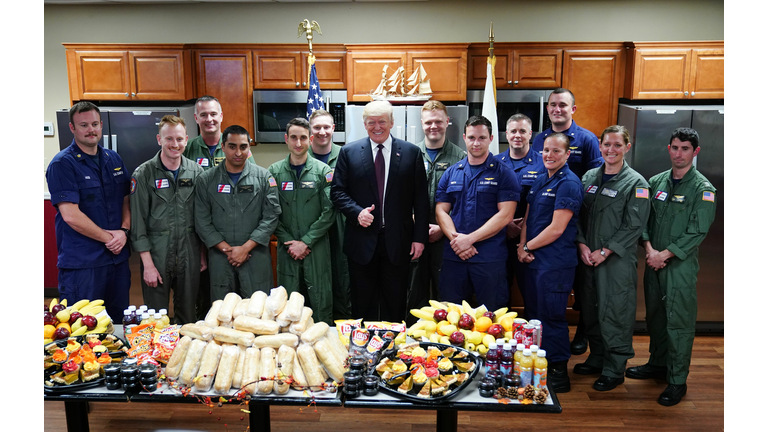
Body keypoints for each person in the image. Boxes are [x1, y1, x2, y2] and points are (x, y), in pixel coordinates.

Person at [627, 127, 716, 406]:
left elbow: (696, 232)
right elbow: (645, 221)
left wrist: (665, 254)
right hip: (653, 261)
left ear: (695, 152)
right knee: (656, 317)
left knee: (678, 322)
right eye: (675, 147)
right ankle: (658, 363)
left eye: (685, 149)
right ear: (668, 148)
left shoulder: (704, 189)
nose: (679, 153)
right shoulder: (656, 182)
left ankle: (677, 380)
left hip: (679, 266)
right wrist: (650, 249)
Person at [330, 100, 429, 322]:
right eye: (371, 122)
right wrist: (357, 212)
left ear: (391, 122)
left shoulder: (411, 153)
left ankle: (391, 351)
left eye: (382, 121)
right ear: (364, 124)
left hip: (398, 242)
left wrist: (419, 238)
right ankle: (362, 352)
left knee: (395, 305)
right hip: (361, 242)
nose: (377, 127)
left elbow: (421, 200)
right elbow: (337, 192)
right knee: (362, 306)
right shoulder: (349, 152)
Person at [573, 125, 651, 391]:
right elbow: (577, 216)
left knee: (615, 311)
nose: (611, 150)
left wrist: (606, 251)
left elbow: (634, 225)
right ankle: (597, 357)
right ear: (600, 146)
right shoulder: (589, 178)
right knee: (591, 308)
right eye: (607, 144)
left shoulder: (636, 183)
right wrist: (582, 245)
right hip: (588, 258)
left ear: (627, 148)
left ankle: (615, 367)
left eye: (618, 145)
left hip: (616, 260)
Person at [530, 88, 603, 355]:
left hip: (577, 218)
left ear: (573, 109)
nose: (557, 109)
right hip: (546, 218)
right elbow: (539, 172)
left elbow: (596, 178)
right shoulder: (540, 139)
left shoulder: (586, 139)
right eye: (553, 105)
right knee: (548, 298)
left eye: (563, 105)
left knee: (579, 287)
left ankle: (581, 333)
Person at [46, 102, 131, 320]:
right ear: (72, 128)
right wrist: (109, 239)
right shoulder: (62, 164)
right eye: (83, 125)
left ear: (101, 125)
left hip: (117, 261)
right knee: (81, 327)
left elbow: (125, 199)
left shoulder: (113, 159)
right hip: (84, 264)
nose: (90, 130)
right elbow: (71, 216)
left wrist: (123, 231)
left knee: (118, 323)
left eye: (94, 124)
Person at [517, 132, 584, 393]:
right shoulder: (541, 178)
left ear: (567, 154)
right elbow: (528, 215)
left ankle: (558, 371)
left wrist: (527, 247)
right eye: (546, 150)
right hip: (532, 261)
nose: (549, 155)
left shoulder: (568, 183)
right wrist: (521, 246)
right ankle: (538, 364)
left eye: (556, 151)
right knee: (534, 317)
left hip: (554, 264)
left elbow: (557, 228)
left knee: (552, 317)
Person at [435, 115, 519, 311]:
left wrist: (469, 240)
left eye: (482, 137)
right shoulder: (452, 172)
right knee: (449, 316)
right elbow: (441, 211)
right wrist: (458, 241)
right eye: (472, 137)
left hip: (489, 258)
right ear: (464, 137)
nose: (476, 142)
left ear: (491, 139)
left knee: (492, 317)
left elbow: (506, 215)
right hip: (454, 257)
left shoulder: (504, 173)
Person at [129, 115, 206, 325]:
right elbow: (138, 223)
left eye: (179, 139)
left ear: (187, 139)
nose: (175, 144)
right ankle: (159, 357)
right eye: (169, 138)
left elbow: (201, 218)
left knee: (188, 317)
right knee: (156, 319)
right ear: (159, 139)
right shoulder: (143, 174)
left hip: (189, 253)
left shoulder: (196, 172)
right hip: (157, 254)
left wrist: (202, 254)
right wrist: (148, 266)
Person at [183, 95, 255, 318]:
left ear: (221, 116)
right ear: (196, 118)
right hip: (198, 232)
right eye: (203, 114)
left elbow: (249, 188)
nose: (209, 119)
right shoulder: (187, 148)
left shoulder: (239, 149)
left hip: (231, 233)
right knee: (206, 295)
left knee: (239, 296)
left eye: (213, 114)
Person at [194, 125, 281, 300]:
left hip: (255, 256)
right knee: (223, 313)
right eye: (232, 146)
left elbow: (271, 216)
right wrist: (228, 250)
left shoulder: (264, 178)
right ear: (223, 147)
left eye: (243, 147)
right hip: (220, 258)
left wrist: (245, 248)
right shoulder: (206, 180)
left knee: (257, 310)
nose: (238, 152)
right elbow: (202, 221)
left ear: (249, 148)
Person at [269, 118, 336, 325]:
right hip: (286, 248)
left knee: (320, 301)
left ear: (311, 139)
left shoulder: (323, 172)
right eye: (294, 138)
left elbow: (330, 211)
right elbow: (271, 212)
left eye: (303, 138)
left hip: (315, 248)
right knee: (286, 306)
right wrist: (290, 242)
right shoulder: (274, 172)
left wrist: (306, 241)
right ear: (286, 139)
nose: (298, 143)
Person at [407, 101, 466, 319]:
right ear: (422, 124)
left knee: (447, 292)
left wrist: (443, 228)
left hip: (448, 237)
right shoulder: (409, 154)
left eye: (438, 121)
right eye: (429, 122)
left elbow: (463, 201)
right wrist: (418, 225)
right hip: (415, 235)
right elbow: (402, 197)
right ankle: (414, 341)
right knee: (414, 291)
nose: (434, 126)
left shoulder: (461, 158)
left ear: (447, 122)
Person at [494, 114, 545, 314]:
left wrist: (522, 226)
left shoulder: (543, 163)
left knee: (532, 295)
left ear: (530, 134)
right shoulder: (494, 163)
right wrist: (505, 225)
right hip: (498, 238)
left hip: (532, 240)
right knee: (498, 296)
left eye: (522, 131)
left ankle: (532, 342)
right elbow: (487, 201)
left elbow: (545, 204)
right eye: (513, 131)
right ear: (506, 134)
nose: (518, 135)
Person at [307, 109, 351, 320]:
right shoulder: (301, 157)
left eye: (326, 127)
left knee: (342, 277)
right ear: (310, 131)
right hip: (311, 228)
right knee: (315, 278)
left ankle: (343, 324)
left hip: (340, 228)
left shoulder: (347, 155)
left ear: (334, 129)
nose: (322, 131)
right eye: (317, 127)